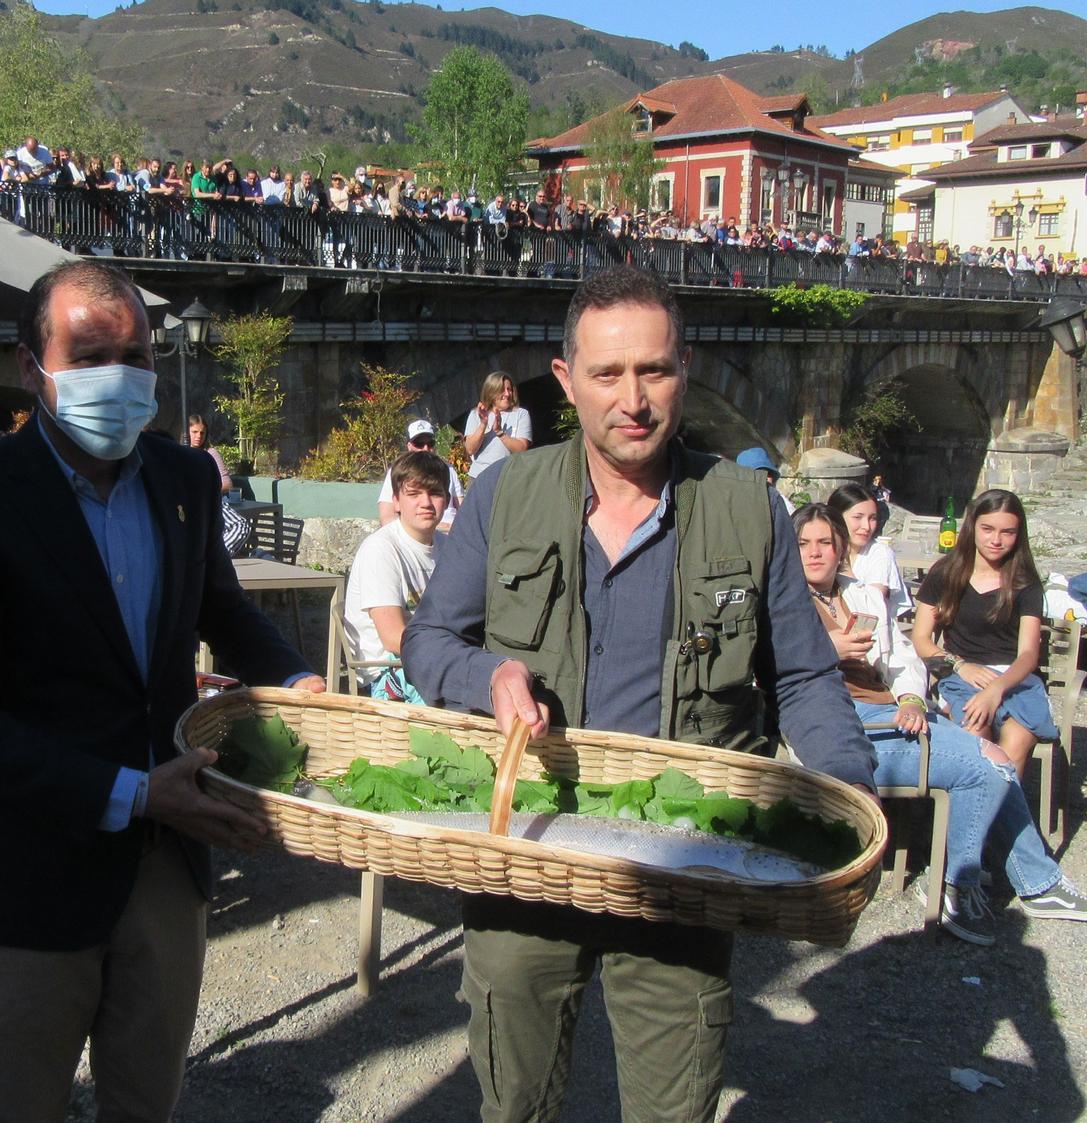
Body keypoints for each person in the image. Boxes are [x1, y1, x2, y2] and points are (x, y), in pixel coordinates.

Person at [402, 266, 875, 1122]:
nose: (634, 398)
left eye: (653, 370)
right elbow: (428, 639)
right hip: (528, 853)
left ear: (684, 368)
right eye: (608, 374)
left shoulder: (748, 509)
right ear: (565, 381)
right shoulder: (504, 496)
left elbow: (802, 676)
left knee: (673, 1110)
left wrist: (852, 798)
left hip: (681, 863)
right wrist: (489, 675)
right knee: (516, 1104)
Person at [0, 260, 322, 1122]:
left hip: (164, 875)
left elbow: (222, 608)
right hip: (29, 872)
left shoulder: (182, 481)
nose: (120, 377)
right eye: (91, 354)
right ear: (33, 368)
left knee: (146, 1100)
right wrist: (132, 792)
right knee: (28, 1104)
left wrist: (296, 677)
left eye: (134, 354)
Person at [794, 504, 1087, 944]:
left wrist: (909, 697)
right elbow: (773, 673)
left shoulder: (861, 595)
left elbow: (903, 656)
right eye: (803, 544)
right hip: (840, 724)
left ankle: (1016, 882)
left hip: (893, 710)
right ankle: (960, 885)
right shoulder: (786, 606)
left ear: (841, 549)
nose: (815, 554)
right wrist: (827, 647)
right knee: (986, 765)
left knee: (996, 756)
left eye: (825, 543)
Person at [912, 490, 1054, 778]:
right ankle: (977, 811)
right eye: (987, 529)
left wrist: (996, 688)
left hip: (1014, 678)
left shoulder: (1024, 582)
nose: (996, 540)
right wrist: (961, 666)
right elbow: (921, 639)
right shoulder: (945, 573)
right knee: (976, 734)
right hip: (961, 675)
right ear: (972, 527)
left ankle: (1002, 818)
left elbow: (1028, 654)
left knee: (1015, 743)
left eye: (1007, 532)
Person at [345, 451, 449, 703]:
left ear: (446, 499)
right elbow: (393, 638)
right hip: (389, 673)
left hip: (438, 657)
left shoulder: (449, 547)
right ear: (396, 502)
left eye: (434, 493)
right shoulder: (381, 549)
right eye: (413, 494)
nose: (425, 502)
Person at [829, 481, 909, 616]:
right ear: (836, 517)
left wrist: (845, 568)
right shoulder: (822, 551)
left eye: (872, 518)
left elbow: (872, 609)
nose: (866, 526)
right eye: (858, 517)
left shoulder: (880, 553)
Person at [377, 419, 463, 527]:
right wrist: (434, 527)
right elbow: (387, 518)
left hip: (451, 534)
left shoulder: (448, 469)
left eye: (430, 443)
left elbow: (463, 508)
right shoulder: (398, 471)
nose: (425, 448)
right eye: (419, 444)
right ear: (409, 446)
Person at [460, 370, 532, 477]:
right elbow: (470, 449)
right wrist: (483, 423)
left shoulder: (521, 414)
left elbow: (522, 449)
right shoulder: (476, 414)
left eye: (509, 389)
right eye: (502, 390)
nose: (507, 394)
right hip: (479, 477)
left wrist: (500, 432)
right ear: (491, 391)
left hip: (508, 477)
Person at [736, 445, 795, 513]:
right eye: (757, 474)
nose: (764, 478)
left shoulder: (780, 502)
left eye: (768, 473)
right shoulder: (733, 504)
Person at [184, 413, 232, 495]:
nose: (199, 436)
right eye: (194, 432)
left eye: (202, 433)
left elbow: (227, 484)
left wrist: (206, 494)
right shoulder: (180, 453)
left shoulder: (211, 453)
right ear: (187, 432)